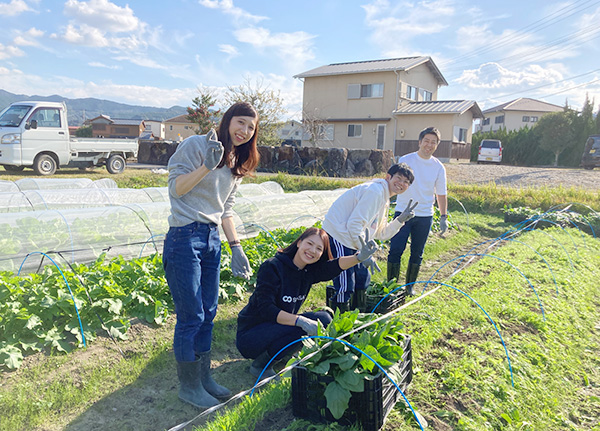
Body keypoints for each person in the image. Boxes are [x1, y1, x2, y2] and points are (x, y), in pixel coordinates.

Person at [163, 102, 260, 409]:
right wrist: (206, 165)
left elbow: (226, 210)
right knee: (191, 315)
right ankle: (188, 386)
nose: (244, 131)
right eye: (240, 123)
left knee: (209, 312)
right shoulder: (196, 146)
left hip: (211, 238)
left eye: (251, 128)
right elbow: (175, 189)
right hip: (184, 236)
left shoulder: (236, 160)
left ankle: (204, 379)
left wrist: (236, 247)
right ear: (228, 120)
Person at [236, 226, 379, 380]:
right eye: (309, 244)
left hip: (278, 328)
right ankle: (260, 366)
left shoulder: (308, 271)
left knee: (323, 319)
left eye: (319, 248)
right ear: (299, 242)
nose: (312, 250)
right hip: (251, 335)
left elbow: (334, 266)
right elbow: (267, 310)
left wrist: (358, 258)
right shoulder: (272, 267)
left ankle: (280, 354)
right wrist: (300, 320)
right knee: (302, 326)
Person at [322, 163, 417, 311]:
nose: (401, 184)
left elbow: (381, 233)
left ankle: (356, 317)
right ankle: (338, 325)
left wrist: (400, 220)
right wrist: (364, 253)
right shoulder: (375, 191)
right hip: (340, 236)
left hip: (354, 239)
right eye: (399, 178)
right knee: (346, 284)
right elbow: (354, 225)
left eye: (406, 182)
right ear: (388, 177)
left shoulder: (384, 198)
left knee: (362, 278)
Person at [387, 126, 448, 296]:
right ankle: (391, 286)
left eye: (433, 142)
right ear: (420, 142)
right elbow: (391, 182)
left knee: (417, 252)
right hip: (402, 212)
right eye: (426, 141)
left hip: (425, 215)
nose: (429, 145)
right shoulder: (406, 160)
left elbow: (441, 193)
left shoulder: (438, 167)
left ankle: (409, 287)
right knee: (395, 250)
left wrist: (443, 216)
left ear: (437, 145)